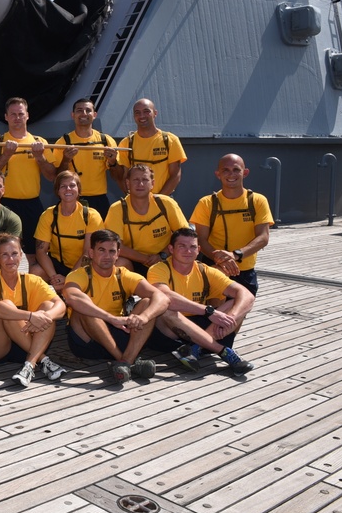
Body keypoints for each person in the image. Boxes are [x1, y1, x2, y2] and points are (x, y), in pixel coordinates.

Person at [62, 229, 169, 383]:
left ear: (118, 254)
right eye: (101, 250)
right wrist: (110, 318)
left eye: (112, 251)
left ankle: (125, 362)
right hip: (87, 340)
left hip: (118, 332)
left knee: (147, 303)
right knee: (84, 309)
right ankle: (126, 361)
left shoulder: (124, 275)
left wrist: (144, 317)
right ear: (91, 253)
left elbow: (162, 298)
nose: (107, 256)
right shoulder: (79, 275)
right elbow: (72, 297)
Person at [147, 228, 255, 374]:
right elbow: (166, 297)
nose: (188, 251)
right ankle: (222, 351)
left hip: (201, 325)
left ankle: (194, 349)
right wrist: (208, 311)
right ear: (171, 249)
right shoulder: (158, 269)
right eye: (182, 246)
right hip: (172, 331)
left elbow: (247, 295)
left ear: (198, 250)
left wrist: (229, 318)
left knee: (238, 303)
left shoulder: (205, 270)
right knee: (165, 307)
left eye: (192, 247)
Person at [0, 234, 67, 387]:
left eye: (14, 254)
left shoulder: (33, 280)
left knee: (47, 308)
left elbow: (61, 306)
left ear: (21, 255)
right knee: (6, 306)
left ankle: (30, 365)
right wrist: (31, 316)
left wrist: (45, 316)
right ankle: (43, 360)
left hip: (26, 346)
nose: (10, 259)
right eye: (4, 255)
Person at [0, 97, 58, 266]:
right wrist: (6, 155)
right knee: (1, 251)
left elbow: (52, 176)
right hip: (4, 206)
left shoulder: (39, 142)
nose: (17, 118)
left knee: (31, 252)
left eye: (20, 114)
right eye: (13, 114)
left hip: (31, 205)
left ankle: (25, 288)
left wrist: (40, 157)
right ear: (6, 117)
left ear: (27, 116)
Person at [189, 153, 273, 295]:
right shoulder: (206, 203)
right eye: (225, 170)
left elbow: (263, 238)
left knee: (239, 311)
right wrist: (220, 259)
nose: (231, 174)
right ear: (218, 174)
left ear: (245, 172)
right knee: (217, 313)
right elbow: (201, 239)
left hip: (245, 270)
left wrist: (235, 255)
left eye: (236, 170)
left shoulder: (258, 201)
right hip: (215, 268)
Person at [103, 164, 189, 276]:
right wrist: (145, 259)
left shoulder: (166, 203)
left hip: (165, 258)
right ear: (128, 183)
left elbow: (184, 236)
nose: (140, 184)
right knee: (118, 263)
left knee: (186, 251)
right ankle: (127, 292)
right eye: (136, 180)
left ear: (152, 183)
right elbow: (115, 245)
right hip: (135, 260)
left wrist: (162, 255)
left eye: (145, 179)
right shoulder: (117, 209)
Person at [32, 170, 103, 292]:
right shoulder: (48, 215)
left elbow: (88, 253)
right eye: (63, 186)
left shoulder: (91, 215)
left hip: (84, 266)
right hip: (58, 266)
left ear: (78, 190)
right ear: (57, 191)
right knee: (35, 272)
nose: (68, 189)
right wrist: (54, 277)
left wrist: (69, 278)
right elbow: (41, 251)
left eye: (72, 185)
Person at [54, 98, 120, 218]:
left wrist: (113, 162)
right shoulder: (63, 142)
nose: (84, 114)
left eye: (88, 110)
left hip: (99, 200)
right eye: (79, 110)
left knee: (100, 236)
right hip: (72, 199)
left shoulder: (106, 141)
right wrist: (66, 160)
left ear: (94, 115)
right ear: (73, 115)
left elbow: (118, 177)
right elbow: (56, 178)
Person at [115, 98, 186, 195]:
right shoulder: (126, 143)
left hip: (163, 199)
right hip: (137, 202)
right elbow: (124, 177)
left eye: (146, 111)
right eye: (137, 113)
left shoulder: (170, 140)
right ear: (134, 116)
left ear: (155, 113)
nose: (142, 116)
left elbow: (176, 176)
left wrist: (158, 199)